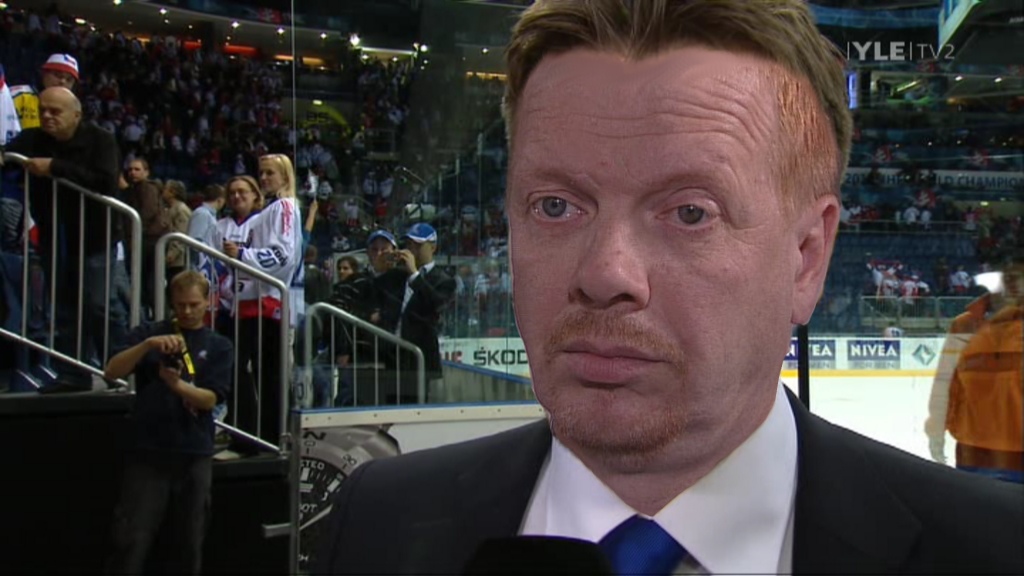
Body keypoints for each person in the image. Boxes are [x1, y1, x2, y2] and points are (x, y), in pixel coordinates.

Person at [314, 1, 1023, 575]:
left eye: (690, 213)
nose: (605, 275)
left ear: (807, 257)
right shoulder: (381, 519)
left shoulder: (994, 549)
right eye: (556, 206)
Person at [103, 270, 233, 575]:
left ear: (207, 302)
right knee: (131, 539)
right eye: (180, 305)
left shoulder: (219, 345)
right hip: (148, 451)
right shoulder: (150, 334)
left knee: (189, 541)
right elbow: (111, 371)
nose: (186, 311)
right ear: (171, 303)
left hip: (193, 452)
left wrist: (176, 385)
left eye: (193, 304)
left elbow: (210, 399)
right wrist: (147, 345)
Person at [4, 86, 126, 390]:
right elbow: (7, 154)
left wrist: (55, 167)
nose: (47, 116)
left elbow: (106, 183)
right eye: (43, 110)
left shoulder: (100, 139)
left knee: (100, 305)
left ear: (76, 114)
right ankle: (72, 373)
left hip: (95, 236)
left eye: (55, 111)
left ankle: (121, 370)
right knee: (62, 307)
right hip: (55, 236)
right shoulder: (33, 138)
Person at [925, 248, 1022, 482]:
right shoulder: (963, 325)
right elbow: (945, 381)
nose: (1012, 283)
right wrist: (936, 428)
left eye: (1019, 276)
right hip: (973, 455)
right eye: (1007, 276)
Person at [10, 53, 79, 130]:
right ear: (43, 74)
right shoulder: (18, 95)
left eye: (69, 80)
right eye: (58, 75)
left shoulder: (72, 110)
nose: (63, 81)